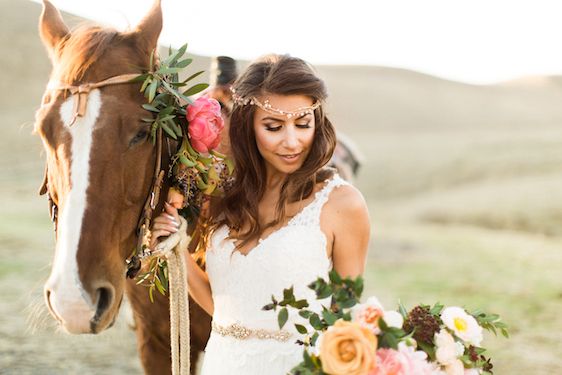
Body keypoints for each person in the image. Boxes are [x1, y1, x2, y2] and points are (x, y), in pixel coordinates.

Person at [151, 54, 370, 374]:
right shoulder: (222, 198)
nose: (292, 141)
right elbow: (225, 307)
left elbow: (347, 319)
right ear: (247, 126)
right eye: (273, 126)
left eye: (303, 124)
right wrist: (177, 251)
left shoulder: (342, 205)